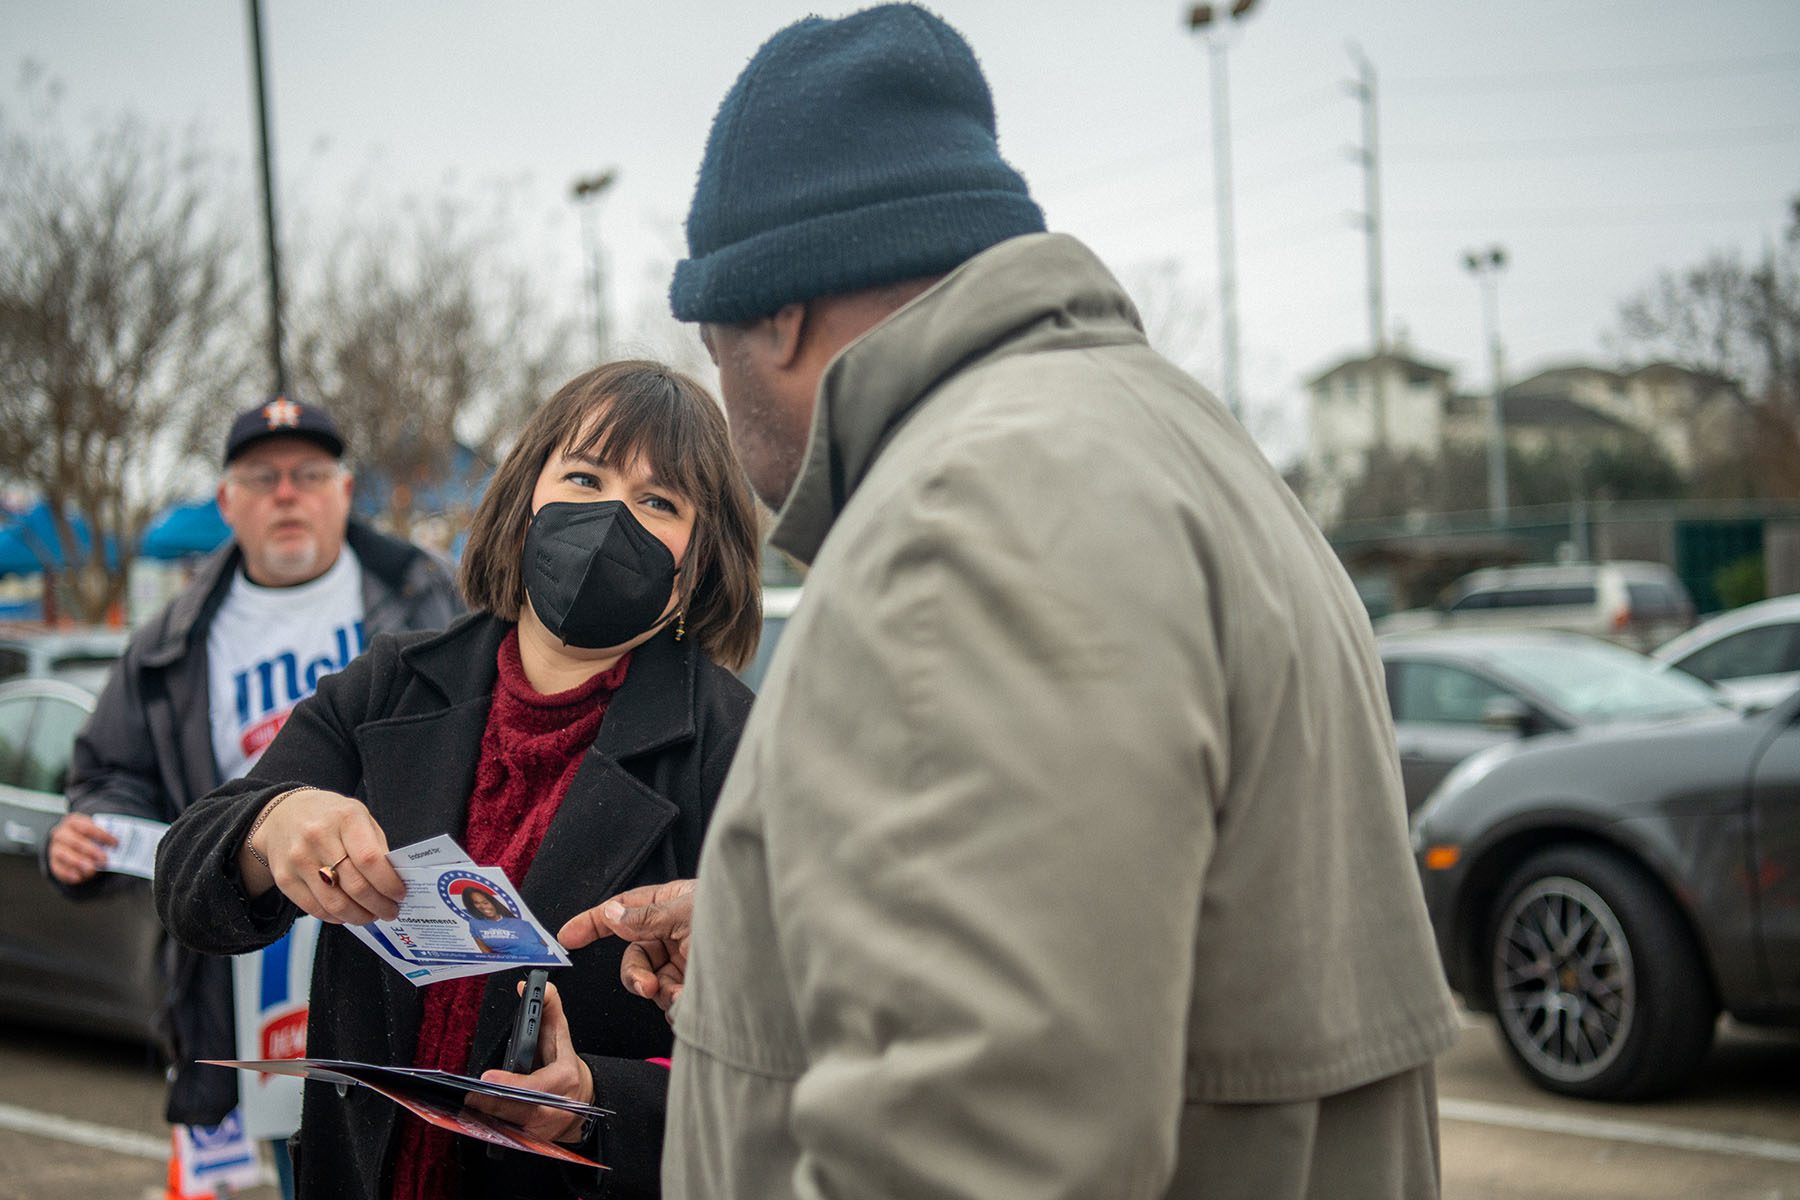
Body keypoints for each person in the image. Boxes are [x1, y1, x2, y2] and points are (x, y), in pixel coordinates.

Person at [583, 7, 1464, 1198]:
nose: (727, 410)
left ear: (775, 313)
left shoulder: (969, 517)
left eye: (716, 347)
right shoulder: (1178, 444)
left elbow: (979, 1142)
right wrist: (768, 937)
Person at [153, 361, 762, 1200]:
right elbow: (188, 879)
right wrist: (274, 826)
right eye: (584, 477)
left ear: (700, 561)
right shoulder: (389, 684)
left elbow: (786, 1056)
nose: (610, 516)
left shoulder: (740, 748)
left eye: (659, 503)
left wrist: (597, 1100)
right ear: (525, 499)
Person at [42, 397, 462, 1192]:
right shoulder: (170, 640)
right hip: (249, 966)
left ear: (344, 492)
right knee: (311, 1166)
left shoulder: (426, 602)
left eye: (309, 474)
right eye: (261, 477)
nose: (286, 494)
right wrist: (90, 836)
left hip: (410, 942)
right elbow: (109, 776)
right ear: (227, 500)